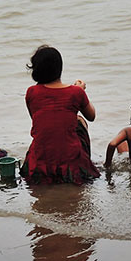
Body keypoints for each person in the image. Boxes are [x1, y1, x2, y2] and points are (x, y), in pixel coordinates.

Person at [20, 45, 100, 184]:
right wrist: (80, 91)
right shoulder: (76, 93)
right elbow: (91, 116)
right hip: (70, 158)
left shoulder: (31, 92)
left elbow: (39, 118)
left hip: (41, 158)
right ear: (59, 68)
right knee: (80, 120)